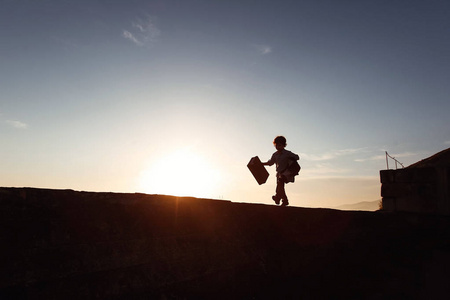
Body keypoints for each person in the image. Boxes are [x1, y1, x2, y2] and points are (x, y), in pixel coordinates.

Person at [262, 136, 299, 206]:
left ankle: (278, 197)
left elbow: (297, 157)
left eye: (280, 145)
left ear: (284, 145)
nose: (278, 147)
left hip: (287, 172)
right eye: (276, 145)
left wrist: (291, 159)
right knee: (280, 187)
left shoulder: (287, 153)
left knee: (280, 185)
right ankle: (282, 199)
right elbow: (270, 163)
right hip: (279, 173)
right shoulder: (275, 154)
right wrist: (261, 164)